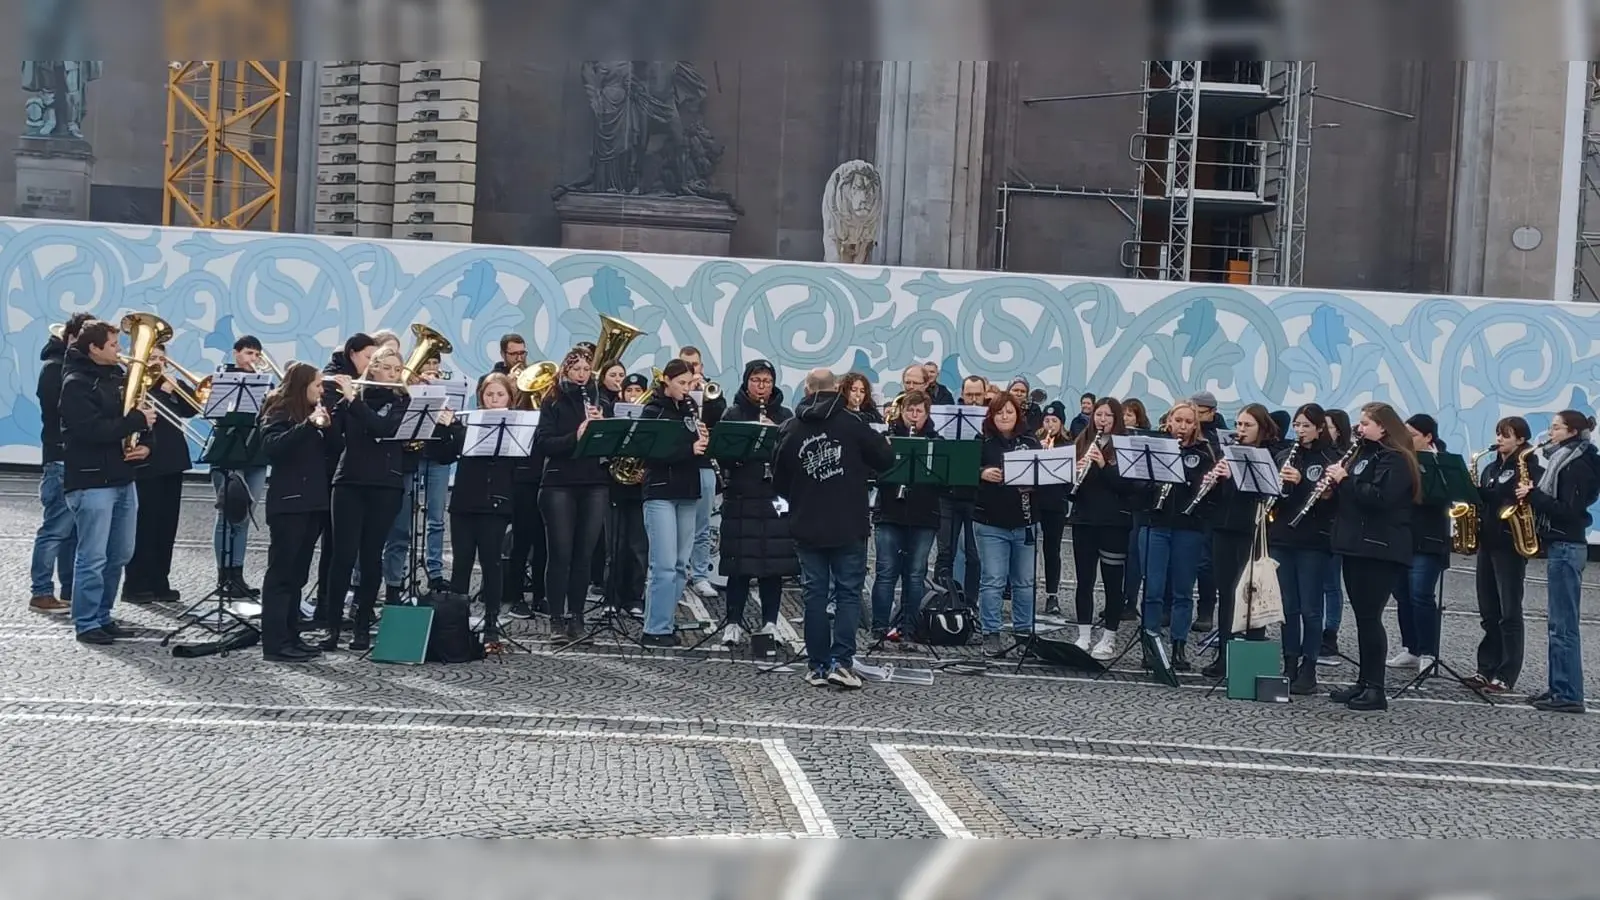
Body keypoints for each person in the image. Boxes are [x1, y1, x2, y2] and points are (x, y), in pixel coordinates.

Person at [774, 368, 895, 689]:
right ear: (837, 390)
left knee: (814, 594)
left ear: (807, 389)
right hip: (849, 521)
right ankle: (841, 663)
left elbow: (779, 482)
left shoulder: (792, 428)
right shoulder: (853, 425)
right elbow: (886, 459)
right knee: (847, 593)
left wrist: (803, 497)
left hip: (807, 523)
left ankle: (816, 665)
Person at [57, 319, 155, 644]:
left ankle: (103, 614)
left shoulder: (117, 377)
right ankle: (86, 622)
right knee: (93, 555)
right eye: (114, 345)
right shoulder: (75, 383)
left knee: (120, 553)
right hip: (91, 480)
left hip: (123, 477)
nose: (121, 351)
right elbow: (91, 430)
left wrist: (146, 444)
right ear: (94, 349)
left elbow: (137, 421)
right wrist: (134, 422)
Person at [319, 346, 421, 651]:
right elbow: (336, 439)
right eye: (386, 368)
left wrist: (352, 401)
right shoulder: (354, 398)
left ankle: (362, 626)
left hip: (385, 484)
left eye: (396, 369)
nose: (392, 374)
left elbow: (383, 430)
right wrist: (330, 409)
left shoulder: (403, 402)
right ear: (372, 369)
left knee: (371, 555)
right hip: (348, 481)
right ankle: (333, 626)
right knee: (343, 556)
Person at [1325, 401, 1420, 712]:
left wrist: (1345, 480)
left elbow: (1380, 499)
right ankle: (1364, 681)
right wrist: (1333, 489)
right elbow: (1354, 497)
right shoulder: (1365, 455)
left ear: (1384, 427)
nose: (1360, 428)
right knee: (1362, 617)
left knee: (1370, 617)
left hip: (1380, 546)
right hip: (1355, 542)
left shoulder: (1397, 460)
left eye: (1366, 423)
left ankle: (1376, 689)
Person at [1520, 409, 1600, 714]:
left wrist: (1533, 496)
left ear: (1571, 432)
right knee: (1556, 623)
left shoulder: (1576, 464)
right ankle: (1558, 687)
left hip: (1567, 545)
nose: (1549, 433)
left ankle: (1568, 693)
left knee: (1564, 625)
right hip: (1559, 545)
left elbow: (1568, 510)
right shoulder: (1562, 459)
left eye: (1555, 428)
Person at [259, 362, 338, 661]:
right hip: (289, 502)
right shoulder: (278, 410)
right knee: (281, 573)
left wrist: (328, 426)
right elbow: (271, 447)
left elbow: (335, 449)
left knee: (298, 575)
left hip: (313, 502)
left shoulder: (314, 414)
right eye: (317, 385)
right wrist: (308, 427)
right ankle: (275, 642)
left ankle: (292, 635)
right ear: (302, 385)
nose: (321, 391)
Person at [435, 373, 519, 647]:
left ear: (510, 398)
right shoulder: (469, 421)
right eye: (489, 395)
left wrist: (458, 428)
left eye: (500, 395)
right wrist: (445, 428)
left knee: (491, 562)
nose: (494, 400)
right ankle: (457, 624)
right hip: (464, 501)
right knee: (461, 562)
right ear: (480, 397)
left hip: (495, 501)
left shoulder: (515, 425)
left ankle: (492, 622)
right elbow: (446, 455)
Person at [716, 359, 797, 645]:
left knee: (773, 564)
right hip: (742, 495)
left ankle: (771, 622)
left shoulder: (786, 414)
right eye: (756, 380)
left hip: (775, 496)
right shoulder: (733, 413)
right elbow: (722, 456)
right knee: (739, 563)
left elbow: (792, 457)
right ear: (746, 382)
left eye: (766, 381)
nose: (761, 387)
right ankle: (733, 622)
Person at [534, 348, 612, 642]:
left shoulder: (599, 400)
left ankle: (577, 617)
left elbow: (613, 444)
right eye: (576, 369)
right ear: (565, 372)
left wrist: (603, 428)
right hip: (559, 483)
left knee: (585, 554)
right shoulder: (552, 400)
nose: (582, 375)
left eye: (586, 369)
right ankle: (557, 618)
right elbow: (544, 443)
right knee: (561, 552)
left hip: (594, 481)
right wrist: (576, 436)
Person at [1199, 403, 1279, 678]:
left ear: (1261, 428)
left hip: (1251, 530)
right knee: (1227, 593)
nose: (1241, 430)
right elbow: (1214, 498)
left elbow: (1268, 492)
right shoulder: (1227, 453)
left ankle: (1252, 654)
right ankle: (1225, 653)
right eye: (1239, 425)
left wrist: (1236, 475)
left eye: (1247, 425)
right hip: (1223, 527)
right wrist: (1214, 481)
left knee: (1250, 592)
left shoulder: (1270, 455)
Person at [1268, 403, 1341, 695]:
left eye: (1306, 426)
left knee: (1311, 607)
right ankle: (1289, 661)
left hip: (1313, 540)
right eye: (1297, 426)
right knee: (1288, 607)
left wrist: (1302, 485)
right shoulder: (1286, 455)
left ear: (1319, 428)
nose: (1300, 431)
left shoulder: (1330, 458)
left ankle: (1309, 665)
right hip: (1283, 537)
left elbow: (1332, 503)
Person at [1467, 416, 1542, 693]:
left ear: (1521, 440)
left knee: (1509, 612)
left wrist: (1487, 495)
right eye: (1498, 435)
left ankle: (1507, 674)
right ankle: (1485, 668)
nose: (1499, 440)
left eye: (1506, 435)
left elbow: (1514, 498)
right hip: (1487, 541)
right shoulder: (1489, 467)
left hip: (1510, 544)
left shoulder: (1529, 468)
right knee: (1488, 611)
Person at [1139, 400, 1214, 671]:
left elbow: (1206, 492)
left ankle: (1178, 648)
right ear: (1169, 421)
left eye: (1188, 422)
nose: (1182, 426)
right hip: (1155, 524)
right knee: (1153, 590)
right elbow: (1137, 486)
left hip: (1188, 528)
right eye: (1178, 420)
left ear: (1195, 425)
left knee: (1183, 591)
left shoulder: (1205, 453)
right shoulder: (1154, 448)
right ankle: (1150, 646)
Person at [637, 360, 708, 647]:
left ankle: (666, 618)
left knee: (680, 564)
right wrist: (688, 448)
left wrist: (703, 441)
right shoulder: (652, 411)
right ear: (666, 381)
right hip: (660, 491)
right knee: (663, 564)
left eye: (690, 384)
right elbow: (648, 451)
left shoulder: (690, 409)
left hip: (687, 489)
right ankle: (655, 627)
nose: (687, 389)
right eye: (681, 383)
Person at [122, 347, 199, 605]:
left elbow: (193, 408)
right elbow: (137, 416)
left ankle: (159, 580)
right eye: (152, 358)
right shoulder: (134, 385)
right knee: (145, 526)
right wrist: (163, 394)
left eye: (161, 359)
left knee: (166, 527)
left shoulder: (167, 384)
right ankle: (136, 583)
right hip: (147, 462)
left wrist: (175, 388)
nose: (157, 364)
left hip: (172, 460)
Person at [313, 333, 377, 627]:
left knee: (343, 546)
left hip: (354, 472)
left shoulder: (365, 383)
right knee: (334, 547)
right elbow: (334, 432)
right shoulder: (334, 382)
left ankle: (334, 609)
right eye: (368, 357)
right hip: (331, 472)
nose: (371, 363)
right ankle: (325, 609)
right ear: (352, 354)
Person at [30, 312, 93, 614]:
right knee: (55, 529)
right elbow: (59, 411)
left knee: (74, 533)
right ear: (70, 338)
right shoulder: (54, 369)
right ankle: (41, 591)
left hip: (76, 458)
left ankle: (69, 590)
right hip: (59, 457)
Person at [973, 393, 1042, 655]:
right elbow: (964, 473)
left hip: (1025, 520)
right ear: (992, 415)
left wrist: (1032, 483)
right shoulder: (983, 442)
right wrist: (982, 473)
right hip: (991, 522)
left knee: (1025, 581)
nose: (1004, 416)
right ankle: (991, 632)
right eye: (1000, 412)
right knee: (993, 580)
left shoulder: (1030, 442)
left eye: (1009, 412)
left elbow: (1046, 478)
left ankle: (1024, 633)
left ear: (1017, 415)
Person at [870, 389, 940, 643]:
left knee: (915, 574)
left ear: (926, 414)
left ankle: (908, 629)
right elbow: (874, 473)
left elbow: (944, 481)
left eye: (918, 411)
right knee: (886, 572)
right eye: (909, 410)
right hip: (890, 512)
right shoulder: (887, 438)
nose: (913, 416)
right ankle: (878, 629)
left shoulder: (936, 442)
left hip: (924, 515)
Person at [1065, 397, 1131, 659]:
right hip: (1084, 519)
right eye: (1098, 415)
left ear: (1117, 419)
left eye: (1108, 416)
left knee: (1113, 583)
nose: (1102, 420)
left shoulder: (1124, 447)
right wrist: (1075, 471)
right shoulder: (1082, 441)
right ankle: (1083, 635)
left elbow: (1127, 488)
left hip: (1114, 522)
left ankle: (1109, 637)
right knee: (1084, 580)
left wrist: (1104, 466)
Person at [1389, 413, 1452, 674]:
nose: (1407, 439)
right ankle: (1411, 648)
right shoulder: (1401, 458)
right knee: (1401, 594)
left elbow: (1441, 497)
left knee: (1421, 595)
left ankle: (1429, 651)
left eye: (1413, 435)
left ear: (1428, 437)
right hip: (1403, 536)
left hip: (1429, 538)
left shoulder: (1442, 463)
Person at [212, 335, 270, 599]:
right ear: (236, 353)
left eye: (257, 354)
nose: (253, 359)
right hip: (228, 451)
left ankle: (238, 574)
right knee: (227, 514)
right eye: (248, 353)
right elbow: (215, 412)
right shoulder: (223, 377)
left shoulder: (265, 384)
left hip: (256, 453)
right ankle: (223, 575)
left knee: (245, 515)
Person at [933, 375, 989, 602]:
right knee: (945, 552)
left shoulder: (992, 422)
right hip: (948, 493)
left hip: (977, 497)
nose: (973, 399)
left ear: (985, 394)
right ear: (962, 395)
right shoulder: (950, 418)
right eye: (969, 395)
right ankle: (941, 601)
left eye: (978, 394)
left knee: (974, 556)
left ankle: (971, 603)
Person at [677, 345, 725, 601]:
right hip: (681, 464)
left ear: (701, 367)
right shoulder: (674, 392)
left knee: (702, 524)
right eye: (686, 364)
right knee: (680, 525)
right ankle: (679, 572)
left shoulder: (711, 392)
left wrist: (702, 397)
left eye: (694, 365)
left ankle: (700, 574)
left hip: (705, 464)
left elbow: (719, 418)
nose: (691, 369)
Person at [604, 373, 651, 617]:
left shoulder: (651, 419)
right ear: (621, 394)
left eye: (638, 390)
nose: (633, 395)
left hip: (639, 489)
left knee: (638, 547)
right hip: (614, 487)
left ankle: (635, 598)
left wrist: (645, 470)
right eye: (629, 390)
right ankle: (611, 597)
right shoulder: (612, 416)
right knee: (615, 546)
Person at [1318, 408, 1352, 664]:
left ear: (1338, 430)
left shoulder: (1345, 457)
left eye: (1327, 426)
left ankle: (1330, 633)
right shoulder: (1317, 455)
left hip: (1335, 526)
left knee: (1330, 583)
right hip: (1313, 528)